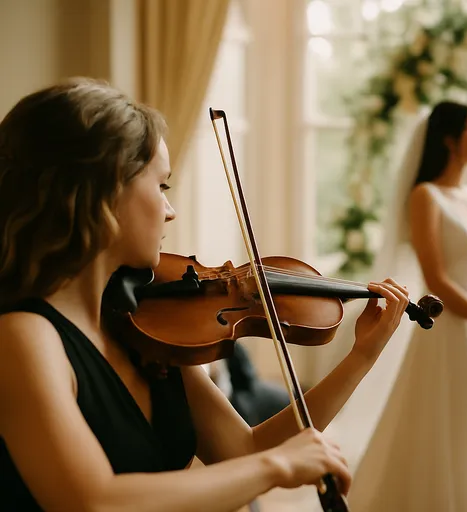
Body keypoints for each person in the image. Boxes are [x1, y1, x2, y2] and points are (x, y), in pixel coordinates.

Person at [0, 77, 412, 511]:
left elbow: (245, 450)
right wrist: (278, 467)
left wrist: (361, 356)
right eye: (161, 186)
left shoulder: (144, 323)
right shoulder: (23, 338)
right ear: (101, 193)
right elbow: (95, 502)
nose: (170, 210)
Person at [328, 101, 467, 512]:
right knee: (446, 421)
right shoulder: (425, 196)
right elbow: (438, 279)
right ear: (449, 139)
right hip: (449, 326)